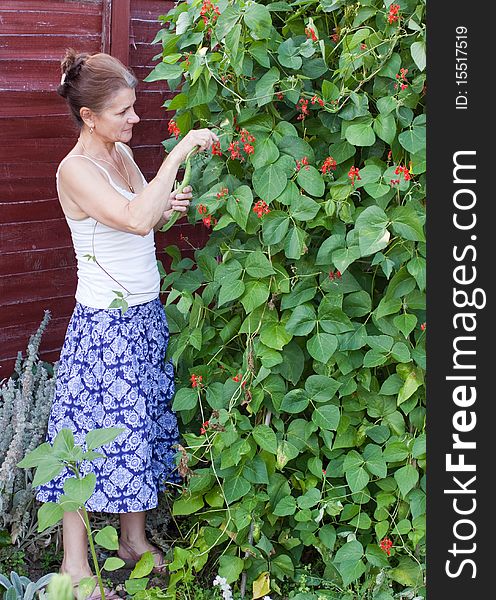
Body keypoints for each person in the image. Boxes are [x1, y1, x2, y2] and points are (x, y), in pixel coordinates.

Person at [34, 48, 219, 599]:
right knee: (83, 445)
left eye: (134, 108)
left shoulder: (119, 153)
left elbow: (146, 215)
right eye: (123, 112)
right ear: (89, 116)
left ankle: (131, 543)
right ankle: (74, 569)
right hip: (104, 328)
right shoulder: (75, 169)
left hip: (141, 318)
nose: (135, 120)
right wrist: (181, 150)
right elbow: (136, 217)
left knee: (139, 431)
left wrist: (170, 205)